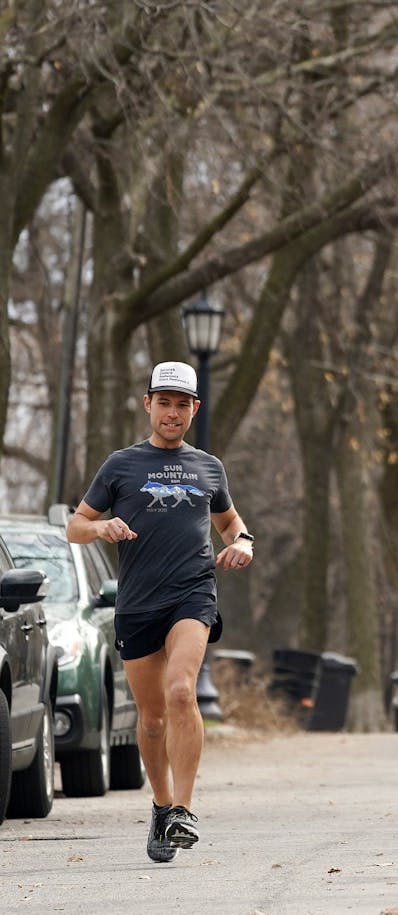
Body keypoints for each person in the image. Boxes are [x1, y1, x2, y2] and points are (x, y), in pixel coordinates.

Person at [66, 361, 254, 863]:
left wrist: (244, 543)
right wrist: (101, 529)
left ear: (195, 408)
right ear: (148, 404)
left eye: (182, 404)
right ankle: (162, 805)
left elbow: (231, 522)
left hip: (192, 593)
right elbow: (74, 526)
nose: (172, 412)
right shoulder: (120, 465)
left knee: (179, 691)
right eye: (164, 402)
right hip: (137, 603)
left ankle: (185, 812)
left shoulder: (209, 467)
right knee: (150, 720)